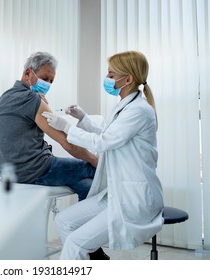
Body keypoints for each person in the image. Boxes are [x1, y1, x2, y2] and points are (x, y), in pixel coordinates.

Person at [42, 50, 164, 259]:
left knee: (75, 243)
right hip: (116, 193)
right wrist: (83, 118)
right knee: (64, 221)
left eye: (111, 74)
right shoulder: (124, 107)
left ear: (128, 79)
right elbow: (109, 134)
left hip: (132, 199)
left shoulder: (139, 111)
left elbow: (104, 142)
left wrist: (67, 127)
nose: (107, 78)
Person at [0, 51, 97, 201]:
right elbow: (68, 144)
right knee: (94, 170)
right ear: (28, 73)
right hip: (34, 170)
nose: (48, 84)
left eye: (51, 81)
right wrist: (95, 159)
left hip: (8, 171)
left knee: (86, 185)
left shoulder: (6, 96)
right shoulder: (31, 99)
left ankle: (77, 221)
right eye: (45, 78)